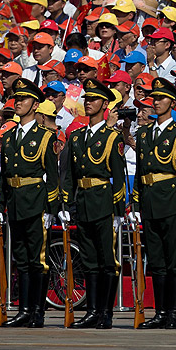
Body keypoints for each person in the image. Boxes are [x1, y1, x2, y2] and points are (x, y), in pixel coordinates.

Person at [59, 78, 128, 329]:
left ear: (105, 104)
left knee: (106, 260)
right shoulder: (77, 136)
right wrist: (66, 205)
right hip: (84, 201)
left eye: (94, 99)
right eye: (86, 99)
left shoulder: (112, 137)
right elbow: (69, 175)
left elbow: (119, 177)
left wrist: (118, 211)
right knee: (88, 260)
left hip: (104, 201)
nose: (88, 103)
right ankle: (91, 311)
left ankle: (105, 313)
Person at [0, 77, 60, 328]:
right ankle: (23, 310)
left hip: (36, 202)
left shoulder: (45, 136)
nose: (18, 102)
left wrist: (50, 209)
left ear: (35, 105)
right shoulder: (9, 137)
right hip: (15, 201)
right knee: (21, 258)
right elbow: (5, 176)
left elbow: (52, 178)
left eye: (23, 99)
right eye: (17, 98)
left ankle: (37, 311)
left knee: (38, 259)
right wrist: (0, 205)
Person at [132, 77, 176, 329]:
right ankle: (159, 312)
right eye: (154, 98)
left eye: (161, 98)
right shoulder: (144, 133)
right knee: (155, 261)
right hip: (149, 202)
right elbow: (140, 173)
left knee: (173, 261)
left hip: (171, 202)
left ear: (173, 102)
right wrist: (135, 206)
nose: (155, 102)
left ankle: (174, 313)